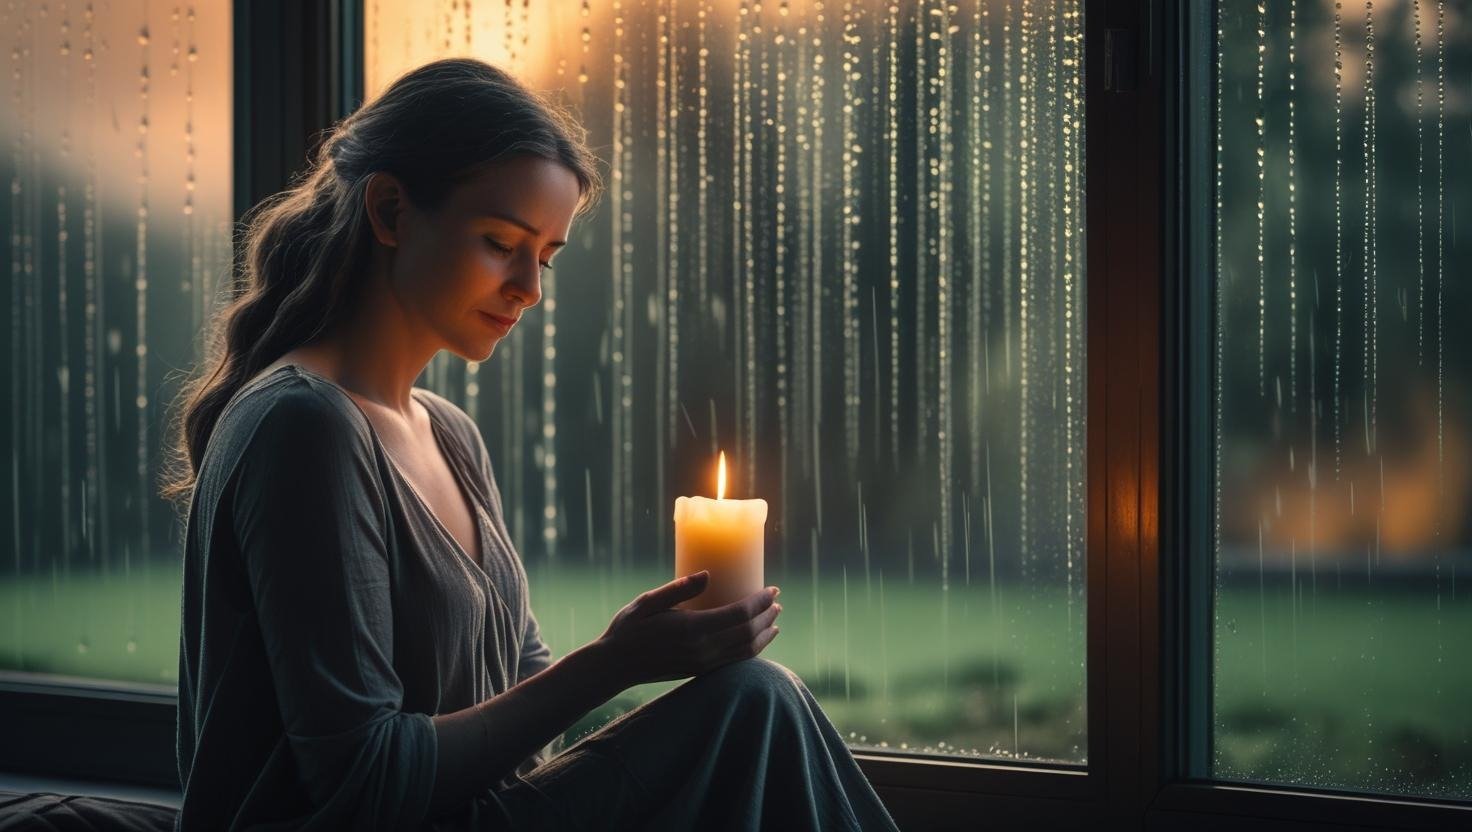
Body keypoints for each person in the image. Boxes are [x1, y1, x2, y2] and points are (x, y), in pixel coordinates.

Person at [161, 58, 901, 831]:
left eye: (544, 257)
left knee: (750, 703)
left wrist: (655, 660)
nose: (530, 288)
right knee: (757, 701)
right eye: (499, 241)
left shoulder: (450, 435)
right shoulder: (302, 427)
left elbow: (524, 696)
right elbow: (365, 781)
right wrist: (616, 662)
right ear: (389, 210)